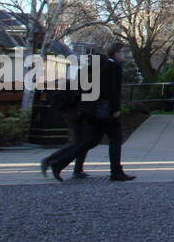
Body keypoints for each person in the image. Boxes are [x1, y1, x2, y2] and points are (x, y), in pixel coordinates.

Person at [50, 42, 135, 182]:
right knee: (115, 138)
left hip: (94, 109)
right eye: (123, 52)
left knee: (91, 141)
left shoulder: (103, 65)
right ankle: (116, 172)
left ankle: (58, 163)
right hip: (106, 111)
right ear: (116, 53)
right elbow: (111, 90)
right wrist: (115, 109)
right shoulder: (113, 67)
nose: (125, 55)